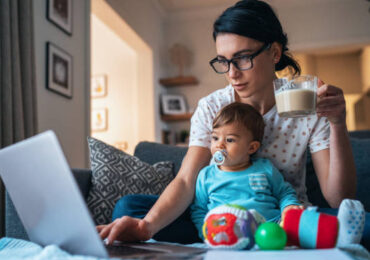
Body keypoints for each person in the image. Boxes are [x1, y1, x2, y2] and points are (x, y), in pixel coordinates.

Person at [97, 0, 358, 245]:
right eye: (224, 61)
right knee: (130, 209)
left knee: (361, 222)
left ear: (275, 53)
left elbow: (339, 199)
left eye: (243, 58)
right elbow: (187, 181)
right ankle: (226, 236)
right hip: (219, 218)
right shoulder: (211, 107)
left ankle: (285, 235)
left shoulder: (306, 103)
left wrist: (337, 123)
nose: (232, 73)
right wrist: (146, 227)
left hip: (284, 219)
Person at [190, 102, 302, 239]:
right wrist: (207, 234)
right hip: (227, 235)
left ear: (252, 148)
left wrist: (289, 207)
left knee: (307, 224)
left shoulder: (264, 168)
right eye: (215, 138)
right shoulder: (206, 176)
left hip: (271, 229)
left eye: (229, 140)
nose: (219, 145)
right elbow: (198, 210)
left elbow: (284, 193)